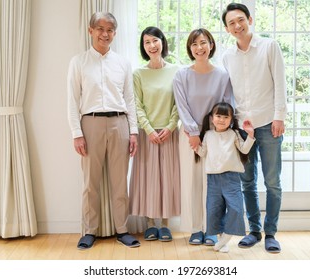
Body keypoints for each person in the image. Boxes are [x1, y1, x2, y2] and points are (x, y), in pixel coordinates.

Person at [67, 12, 140, 249]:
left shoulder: (123, 63)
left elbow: (130, 99)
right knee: (90, 182)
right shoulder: (78, 62)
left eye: (110, 30)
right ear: (90, 30)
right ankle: (89, 231)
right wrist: (76, 133)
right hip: (90, 123)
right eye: (100, 28)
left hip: (120, 123)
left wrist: (134, 131)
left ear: (115, 34)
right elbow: (72, 100)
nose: (105, 34)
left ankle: (122, 229)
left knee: (120, 181)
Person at [221, 3, 287, 253]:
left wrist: (279, 117)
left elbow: (280, 83)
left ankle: (271, 233)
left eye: (241, 20)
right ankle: (254, 231)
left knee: (272, 182)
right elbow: (228, 94)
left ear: (250, 19)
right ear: (227, 29)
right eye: (231, 23)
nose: (237, 26)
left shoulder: (270, 47)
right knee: (247, 182)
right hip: (242, 128)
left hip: (269, 123)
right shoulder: (227, 56)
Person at [173, 28, 233, 246]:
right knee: (191, 183)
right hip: (189, 136)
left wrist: (212, 133)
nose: (199, 48)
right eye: (194, 44)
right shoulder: (181, 75)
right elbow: (182, 105)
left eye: (203, 43)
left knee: (212, 184)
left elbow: (226, 106)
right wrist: (193, 133)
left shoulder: (222, 76)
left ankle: (212, 229)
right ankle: (195, 228)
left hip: (215, 136)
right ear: (190, 49)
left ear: (211, 45)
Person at [129, 26, 181, 241]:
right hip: (146, 134)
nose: (151, 45)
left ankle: (166, 224)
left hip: (170, 133)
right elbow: (136, 105)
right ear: (143, 47)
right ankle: (150, 223)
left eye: (155, 40)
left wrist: (169, 127)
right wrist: (149, 130)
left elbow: (180, 103)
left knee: (168, 179)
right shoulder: (138, 74)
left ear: (162, 42)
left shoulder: (176, 70)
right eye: (147, 42)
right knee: (148, 179)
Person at [194, 102, 255, 253]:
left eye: (225, 117)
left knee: (236, 208)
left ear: (231, 120)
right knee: (215, 209)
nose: (221, 119)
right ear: (212, 118)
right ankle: (222, 240)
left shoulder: (233, 134)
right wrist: (194, 143)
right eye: (218, 116)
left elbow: (244, 149)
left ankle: (225, 238)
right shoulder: (208, 135)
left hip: (231, 177)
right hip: (213, 179)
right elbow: (202, 153)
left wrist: (251, 135)